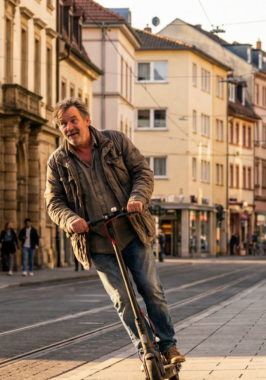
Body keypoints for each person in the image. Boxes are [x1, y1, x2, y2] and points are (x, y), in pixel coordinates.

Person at [45, 97, 185, 364]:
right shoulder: (57, 161)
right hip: (97, 242)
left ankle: (168, 346)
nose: (69, 127)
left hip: (131, 231)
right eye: (63, 124)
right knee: (122, 299)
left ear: (87, 120)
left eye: (73, 120)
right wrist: (70, 218)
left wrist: (138, 199)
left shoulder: (116, 142)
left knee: (151, 289)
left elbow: (142, 173)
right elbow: (53, 202)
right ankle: (145, 349)